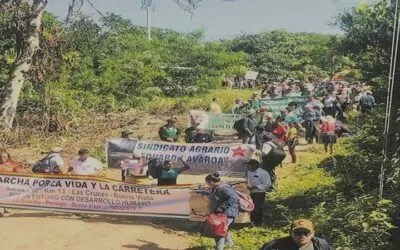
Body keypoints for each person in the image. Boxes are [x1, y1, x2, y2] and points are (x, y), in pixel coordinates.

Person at [205, 172, 239, 250]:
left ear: (211, 182)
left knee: (219, 231)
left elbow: (233, 198)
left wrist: (221, 207)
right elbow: (212, 194)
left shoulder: (224, 188)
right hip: (222, 213)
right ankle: (230, 245)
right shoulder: (216, 188)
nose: (207, 185)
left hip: (228, 213)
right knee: (223, 228)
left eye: (207, 183)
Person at [261, 219, 331, 250]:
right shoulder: (273, 247)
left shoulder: (321, 245)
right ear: (290, 232)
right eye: (297, 232)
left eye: (306, 232)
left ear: (313, 233)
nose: (302, 235)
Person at [246, 159, 271, 226]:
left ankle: (258, 223)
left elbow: (267, 184)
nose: (247, 167)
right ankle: (251, 222)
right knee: (251, 207)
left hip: (259, 193)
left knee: (258, 208)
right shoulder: (248, 172)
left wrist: (255, 187)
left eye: (249, 165)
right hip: (249, 192)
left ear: (255, 165)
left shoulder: (263, 173)